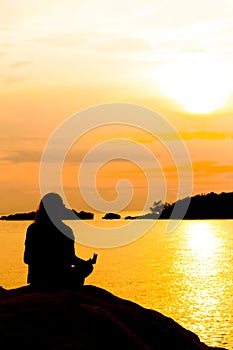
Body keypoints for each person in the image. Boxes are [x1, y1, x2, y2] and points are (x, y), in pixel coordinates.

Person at [24, 192, 97, 288]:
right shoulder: (66, 230)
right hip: (61, 277)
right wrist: (86, 263)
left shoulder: (33, 229)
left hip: (37, 278)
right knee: (87, 267)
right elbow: (70, 258)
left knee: (86, 267)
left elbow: (27, 259)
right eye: (61, 206)